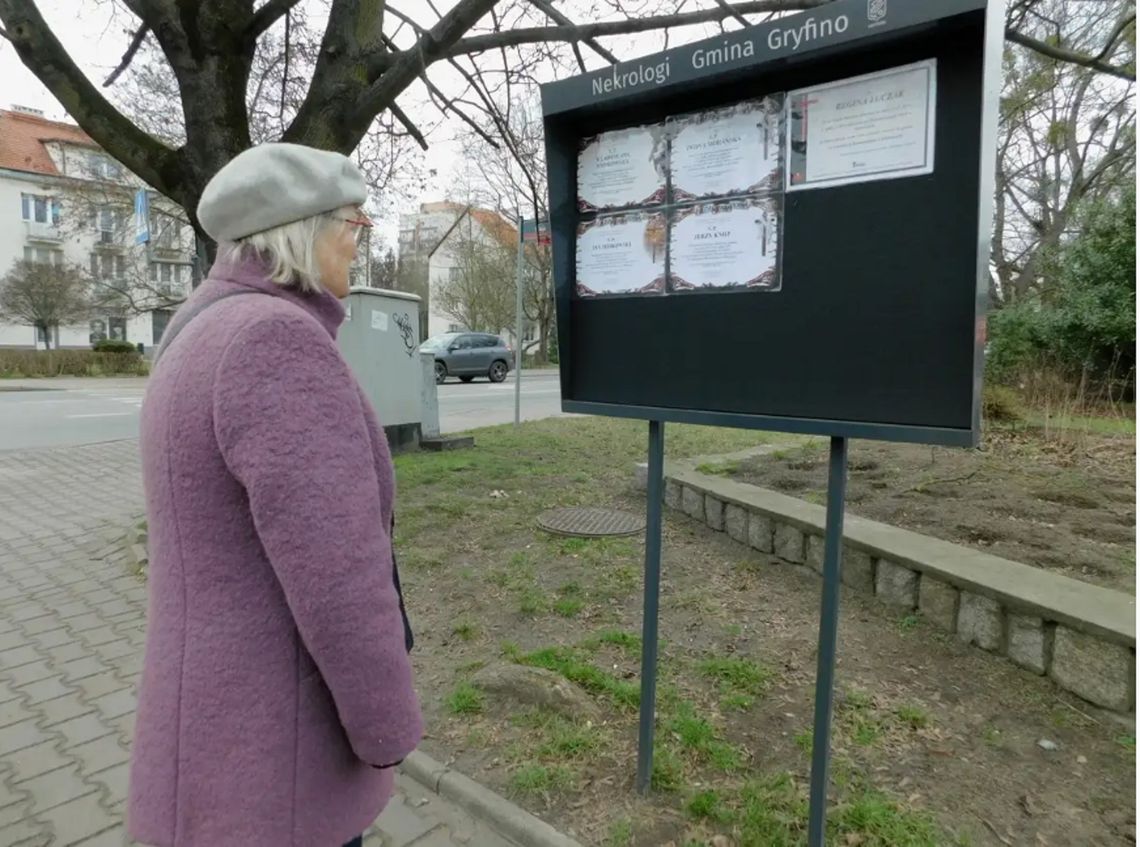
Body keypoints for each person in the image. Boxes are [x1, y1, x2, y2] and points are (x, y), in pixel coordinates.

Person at [127, 143, 422, 847]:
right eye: (354, 223)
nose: (359, 241)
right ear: (306, 229)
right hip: (275, 768)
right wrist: (387, 730)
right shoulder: (275, 342)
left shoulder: (197, 329)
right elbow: (340, 578)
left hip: (204, 738)